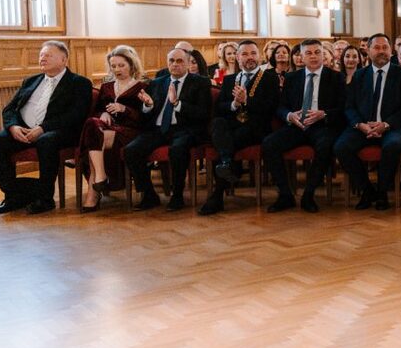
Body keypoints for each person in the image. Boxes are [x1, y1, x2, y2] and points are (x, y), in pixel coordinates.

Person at [0, 40, 93, 215]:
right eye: (41, 55)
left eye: (48, 55)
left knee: (45, 141)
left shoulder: (79, 83)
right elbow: (9, 109)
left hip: (59, 133)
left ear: (64, 60)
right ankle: (14, 195)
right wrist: (13, 127)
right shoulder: (31, 81)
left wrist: (43, 128)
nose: (42, 58)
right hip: (23, 131)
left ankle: (45, 198)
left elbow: (76, 115)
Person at [198, 40, 281, 216]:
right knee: (217, 123)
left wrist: (246, 101)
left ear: (259, 56)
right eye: (244, 54)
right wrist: (235, 104)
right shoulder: (229, 80)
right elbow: (220, 108)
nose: (249, 57)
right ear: (237, 57)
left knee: (225, 143)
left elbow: (271, 107)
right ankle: (228, 164)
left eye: (253, 53)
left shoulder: (270, 77)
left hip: (256, 128)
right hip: (232, 126)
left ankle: (218, 194)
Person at [335, 33, 401, 211]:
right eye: (377, 48)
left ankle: (382, 192)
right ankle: (367, 190)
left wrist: (386, 125)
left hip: (393, 127)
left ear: (391, 50)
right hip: (363, 127)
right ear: (368, 51)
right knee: (341, 147)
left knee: (393, 145)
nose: (381, 51)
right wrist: (360, 125)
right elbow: (349, 107)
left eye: (385, 47)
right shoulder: (359, 76)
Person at [261, 39, 345, 213]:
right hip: (297, 126)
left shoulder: (336, 77)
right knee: (269, 144)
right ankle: (285, 195)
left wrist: (324, 114)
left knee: (325, 146)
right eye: (308, 53)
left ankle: (309, 194)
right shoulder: (292, 77)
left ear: (323, 55)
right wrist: (289, 115)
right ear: (301, 57)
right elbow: (281, 106)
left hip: (323, 126)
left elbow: (344, 109)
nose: (313, 56)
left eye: (317, 52)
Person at [125, 48, 213, 211]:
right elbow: (146, 115)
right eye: (171, 61)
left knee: (178, 149)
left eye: (180, 61)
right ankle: (149, 194)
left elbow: (203, 113)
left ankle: (177, 196)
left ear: (187, 63)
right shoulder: (158, 82)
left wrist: (177, 104)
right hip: (158, 129)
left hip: (185, 129)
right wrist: (147, 105)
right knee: (131, 150)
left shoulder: (200, 83)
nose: (175, 64)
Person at [78, 45, 147, 211]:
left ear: (131, 65)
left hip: (129, 131)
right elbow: (97, 110)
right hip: (106, 129)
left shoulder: (142, 87)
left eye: (121, 65)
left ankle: (94, 191)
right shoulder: (106, 86)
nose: (117, 69)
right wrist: (103, 113)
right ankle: (100, 177)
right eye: (113, 66)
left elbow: (145, 118)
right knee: (92, 124)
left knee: (91, 143)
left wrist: (125, 109)